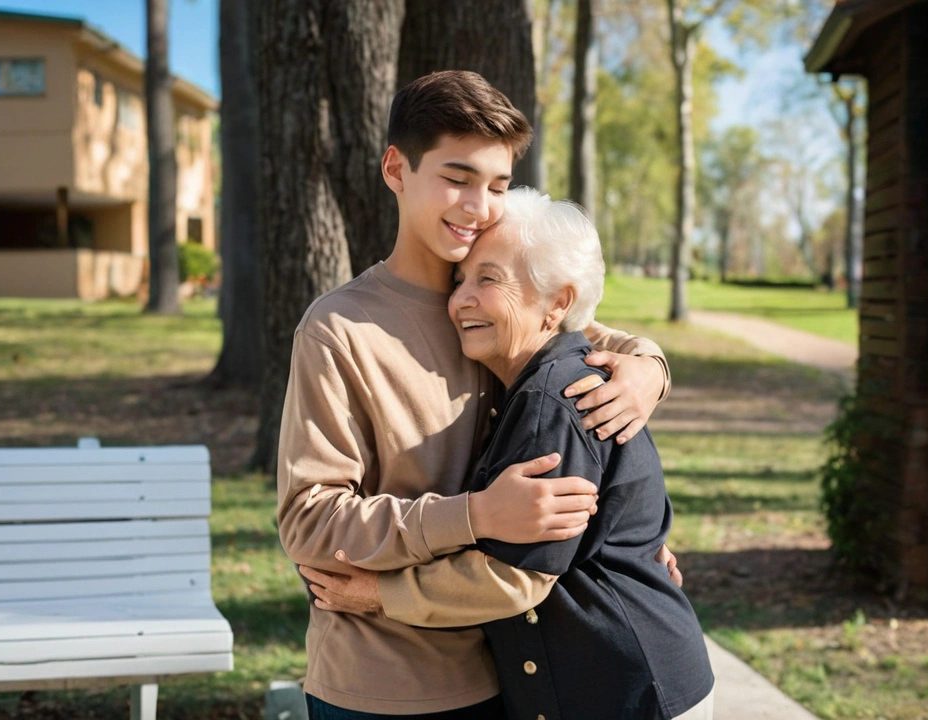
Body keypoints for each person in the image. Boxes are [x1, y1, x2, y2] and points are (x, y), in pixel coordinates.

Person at [277, 70, 676, 719]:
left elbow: (599, 342)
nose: (477, 206)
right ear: (396, 168)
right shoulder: (337, 330)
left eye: (496, 185)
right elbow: (309, 521)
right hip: (383, 689)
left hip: (510, 680)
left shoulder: (500, 306)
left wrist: (650, 370)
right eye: (457, 178)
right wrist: (475, 516)